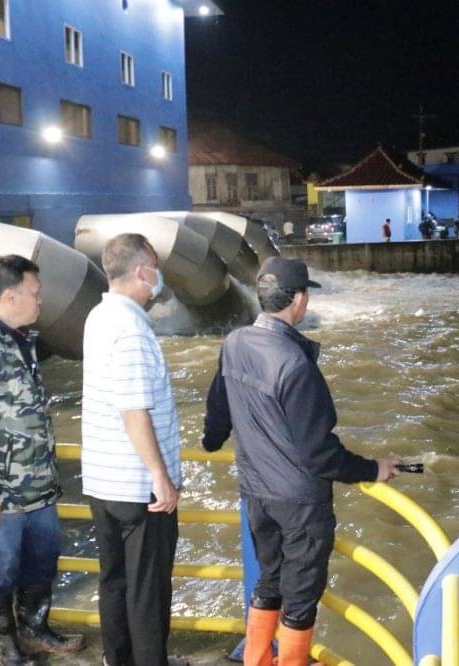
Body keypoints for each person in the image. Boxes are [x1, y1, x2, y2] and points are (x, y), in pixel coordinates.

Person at [202, 257, 401, 666]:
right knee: (301, 595)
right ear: (299, 300)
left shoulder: (235, 343)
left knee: (269, 580)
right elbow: (320, 454)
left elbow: (217, 413)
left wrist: (211, 441)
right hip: (299, 503)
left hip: (256, 494)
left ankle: (258, 659)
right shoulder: (295, 365)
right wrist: (373, 469)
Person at [0, 256, 84, 666]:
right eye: (35, 294)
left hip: (36, 481)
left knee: (43, 559)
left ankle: (34, 628)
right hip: (1, 490)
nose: (41, 301)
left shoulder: (15, 335)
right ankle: (3, 641)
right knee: (0, 569)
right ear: (10, 295)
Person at [81, 234, 183, 666]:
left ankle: (117, 659)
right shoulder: (132, 330)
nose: (158, 279)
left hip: (103, 481)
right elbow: (134, 411)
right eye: (155, 269)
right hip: (139, 488)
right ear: (142, 272)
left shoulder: (98, 316)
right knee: (148, 589)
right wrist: (161, 478)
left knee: (116, 581)